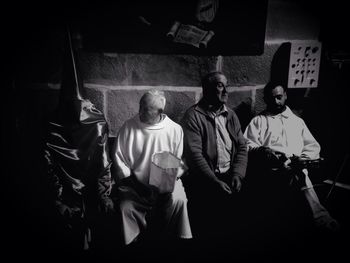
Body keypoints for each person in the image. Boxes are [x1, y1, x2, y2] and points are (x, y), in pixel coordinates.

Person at [100, 89, 192, 247]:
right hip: (134, 186)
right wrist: (139, 187)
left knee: (178, 200)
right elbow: (120, 162)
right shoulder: (128, 127)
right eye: (140, 106)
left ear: (160, 111)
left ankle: (168, 242)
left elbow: (175, 161)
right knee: (125, 207)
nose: (140, 112)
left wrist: (164, 188)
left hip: (166, 185)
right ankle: (133, 245)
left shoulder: (174, 129)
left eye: (145, 109)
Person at [243, 81, 339, 233]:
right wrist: (263, 151)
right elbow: (246, 145)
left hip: (296, 167)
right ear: (266, 99)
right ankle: (321, 219)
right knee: (295, 177)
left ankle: (316, 221)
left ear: (285, 95)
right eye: (271, 98)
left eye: (279, 97)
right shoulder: (259, 121)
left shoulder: (297, 122)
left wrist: (303, 158)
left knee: (297, 173)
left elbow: (313, 146)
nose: (276, 101)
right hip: (271, 171)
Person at [181, 71, 248, 239]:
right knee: (209, 232)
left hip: (230, 177)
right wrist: (213, 181)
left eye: (227, 86)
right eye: (220, 86)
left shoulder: (231, 115)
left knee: (235, 229)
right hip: (205, 181)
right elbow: (195, 156)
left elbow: (241, 147)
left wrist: (238, 174)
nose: (226, 91)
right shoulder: (193, 116)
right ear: (207, 90)